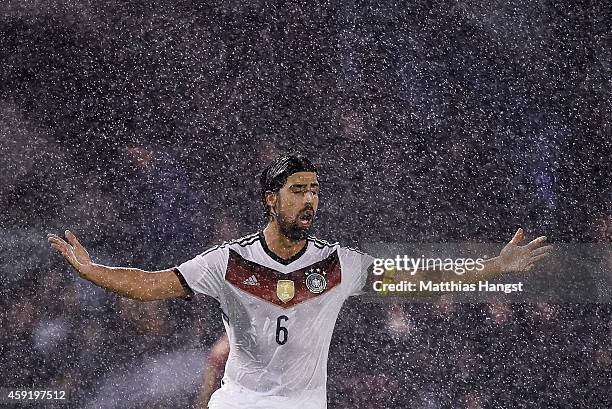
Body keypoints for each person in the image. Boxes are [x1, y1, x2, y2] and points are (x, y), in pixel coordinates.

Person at [48, 154, 551, 408]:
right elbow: (153, 284)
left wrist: (494, 267)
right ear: (271, 198)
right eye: (297, 190)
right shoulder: (228, 262)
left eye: (315, 191)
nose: (309, 199)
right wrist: (92, 272)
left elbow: (419, 279)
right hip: (241, 401)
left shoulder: (339, 265)